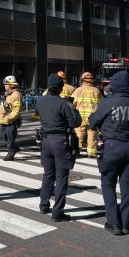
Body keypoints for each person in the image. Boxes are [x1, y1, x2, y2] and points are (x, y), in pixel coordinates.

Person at [89, 71, 129, 235]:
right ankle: (126, 224)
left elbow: (92, 123)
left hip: (112, 147)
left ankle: (114, 223)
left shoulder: (107, 103)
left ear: (113, 85)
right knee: (128, 186)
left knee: (108, 185)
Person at [35, 73, 82, 222]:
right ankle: (58, 212)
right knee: (61, 177)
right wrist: (72, 107)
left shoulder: (40, 101)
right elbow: (76, 122)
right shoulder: (63, 103)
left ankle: (43, 205)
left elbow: (38, 114)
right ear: (61, 88)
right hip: (60, 141)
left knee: (48, 174)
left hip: (45, 141)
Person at [71, 72, 102, 157]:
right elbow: (102, 104)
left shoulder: (77, 90)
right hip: (93, 118)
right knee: (92, 135)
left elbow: (72, 104)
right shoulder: (96, 91)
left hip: (80, 118)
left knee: (79, 135)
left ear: (82, 80)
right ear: (92, 81)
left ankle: (77, 151)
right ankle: (91, 153)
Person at [0, 75, 22, 161]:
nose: (4, 85)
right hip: (3, 120)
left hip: (10, 121)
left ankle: (11, 152)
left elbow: (16, 110)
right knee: (3, 134)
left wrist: (9, 118)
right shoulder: (7, 93)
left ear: (11, 85)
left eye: (6, 84)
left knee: (10, 137)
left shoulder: (16, 94)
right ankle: (13, 147)